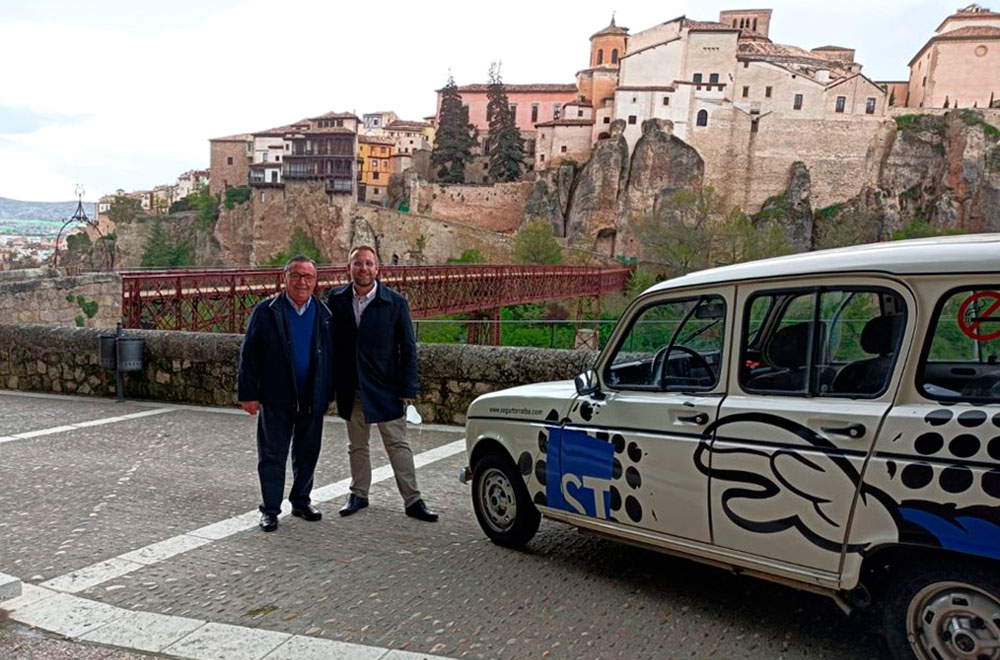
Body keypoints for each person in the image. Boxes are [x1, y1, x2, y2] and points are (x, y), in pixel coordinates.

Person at [328, 245, 438, 522]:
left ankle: (413, 500)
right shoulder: (337, 299)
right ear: (348, 268)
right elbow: (330, 344)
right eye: (357, 263)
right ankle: (359, 494)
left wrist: (407, 388)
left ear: (377, 269)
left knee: (397, 444)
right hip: (351, 386)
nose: (363, 268)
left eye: (368, 263)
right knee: (357, 445)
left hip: (386, 386)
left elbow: (408, 348)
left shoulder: (395, 302)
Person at [238, 255, 333, 532]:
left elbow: (332, 356)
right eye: (296, 275)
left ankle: (301, 501)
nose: (302, 282)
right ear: (285, 277)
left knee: (308, 453)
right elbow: (249, 354)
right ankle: (270, 509)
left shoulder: (325, 314)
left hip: (312, 396)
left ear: (315, 282)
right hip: (276, 396)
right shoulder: (267, 311)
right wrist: (248, 393)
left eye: (308, 277)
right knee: (272, 455)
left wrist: (329, 392)